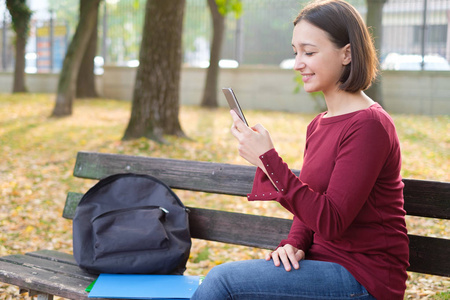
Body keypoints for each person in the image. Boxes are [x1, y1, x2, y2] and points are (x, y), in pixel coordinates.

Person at [191, 0, 409, 299]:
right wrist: (295, 243)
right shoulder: (319, 124)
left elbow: (331, 221)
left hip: (364, 276)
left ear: (347, 53)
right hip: (322, 266)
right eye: (296, 52)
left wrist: (268, 160)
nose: (297, 63)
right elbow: (311, 204)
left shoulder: (369, 125)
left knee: (222, 282)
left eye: (309, 52)